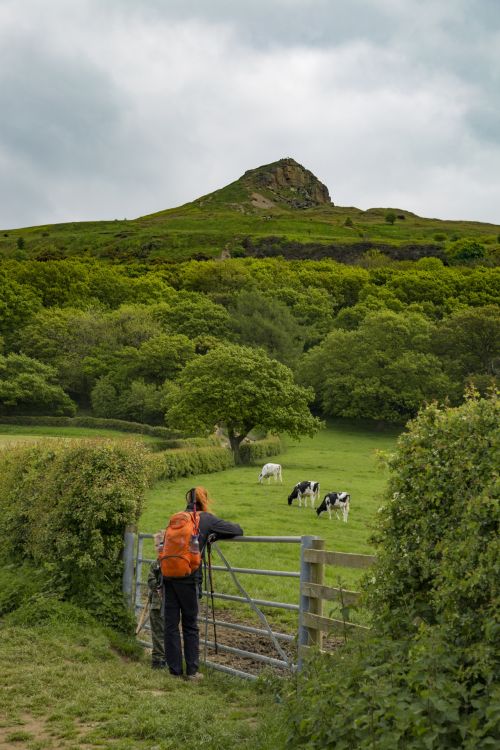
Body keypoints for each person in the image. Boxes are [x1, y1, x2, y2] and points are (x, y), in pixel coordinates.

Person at [163, 486, 243, 680]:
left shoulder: (178, 518)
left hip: (168, 574)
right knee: (190, 624)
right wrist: (213, 534)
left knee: (171, 624)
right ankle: (192, 672)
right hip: (189, 577)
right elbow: (237, 530)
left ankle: (174, 671)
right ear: (204, 500)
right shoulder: (206, 519)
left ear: (188, 500)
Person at [147, 533, 166, 669]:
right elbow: (151, 581)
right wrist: (158, 586)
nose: (159, 547)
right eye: (156, 545)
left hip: (168, 605)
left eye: (162, 544)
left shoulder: (171, 564)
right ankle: (158, 660)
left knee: (168, 633)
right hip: (156, 604)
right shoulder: (154, 565)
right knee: (157, 633)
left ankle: (167, 658)